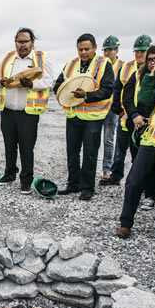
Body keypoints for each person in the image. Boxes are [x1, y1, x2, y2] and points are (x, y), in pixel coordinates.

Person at [116, 46, 155, 242]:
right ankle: (125, 224)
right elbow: (140, 98)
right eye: (149, 59)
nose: (152, 62)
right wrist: (151, 77)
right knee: (133, 180)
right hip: (148, 135)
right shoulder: (141, 75)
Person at [54, 33, 114, 201]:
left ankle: (87, 187)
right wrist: (64, 95)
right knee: (72, 152)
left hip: (93, 117)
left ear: (94, 48)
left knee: (90, 153)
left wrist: (86, 95)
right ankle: (73, 184)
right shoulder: (70, 64)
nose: (84, 52)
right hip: (73, 115)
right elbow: (58, 85)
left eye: (87, 49)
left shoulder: (104, 64)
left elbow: (107, 90)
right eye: (80, 49)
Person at [0, 28, 54, 194]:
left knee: (26, 147)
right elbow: (1, 79)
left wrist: (31, 84)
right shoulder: (8, 57)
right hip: (7, 110)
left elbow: (49, 81)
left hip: (28, 112)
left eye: (25, 41)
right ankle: (9, 174)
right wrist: (2, 81)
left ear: (32, 43)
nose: (22, 45)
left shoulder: (42, 58)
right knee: (9, 144)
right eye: (19, 41)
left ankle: (26, 180)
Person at [100, 34, 152, 188]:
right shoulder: (127, 67)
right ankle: (115, 176)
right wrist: (119, 111)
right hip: (125, 118)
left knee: (140, 154)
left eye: (142, 51)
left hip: (143, 120)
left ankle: (141, 182)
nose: (139, 54)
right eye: (137, 51)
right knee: (119, 150)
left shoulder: (154, 69)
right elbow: (117, 90)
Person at [101, 35, 123, 181]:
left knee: (109, 139)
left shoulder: (123, 66)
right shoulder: (100, 64)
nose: (107, 53)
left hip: (112, 108)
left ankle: (107, 169)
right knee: (94, 139)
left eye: (110, 50)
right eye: (106, 50)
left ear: (117, 50)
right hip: (98, 106)